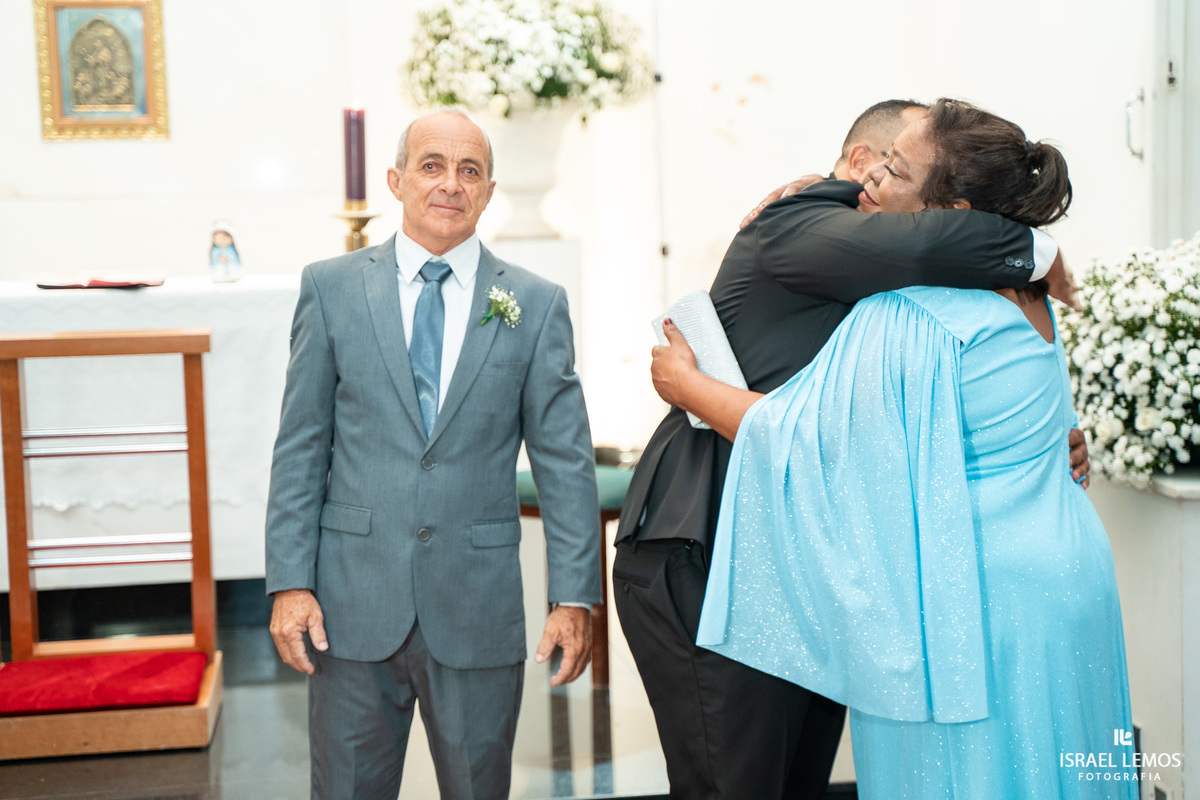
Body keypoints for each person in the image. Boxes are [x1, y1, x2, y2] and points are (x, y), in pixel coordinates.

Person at [653, 99, 1135, 800]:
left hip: (971, 610)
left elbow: (819, 446)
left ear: (954, 211)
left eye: (897, 170)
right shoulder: (1031, 297)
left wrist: (688, 386)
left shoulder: (909, 313)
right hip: (1069, 578)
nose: (870, 178)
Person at [265, 108, 602, 800]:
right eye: (433, 165)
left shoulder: (533, 304)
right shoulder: (330, 290)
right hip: (350, 607)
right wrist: (290, 583)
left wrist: (574, 596)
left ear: (488, 190)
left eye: (469, 170)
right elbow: (302, 444)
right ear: (396, 180)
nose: (451, 183)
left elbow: (564, 460)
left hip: (477, 605)